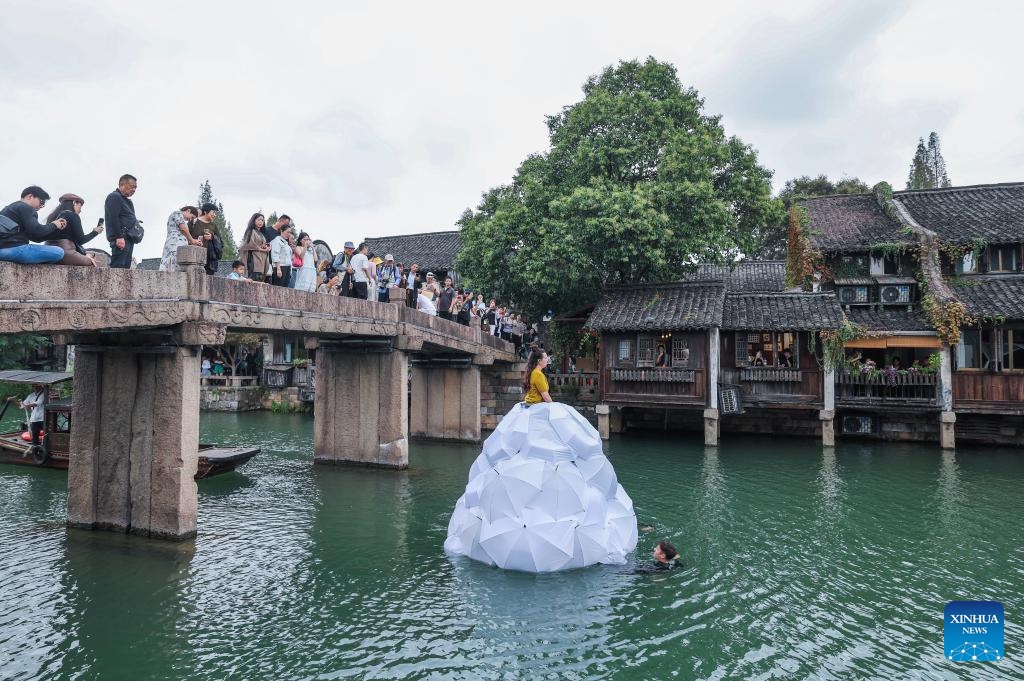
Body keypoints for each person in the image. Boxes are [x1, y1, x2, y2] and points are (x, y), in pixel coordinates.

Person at [0, 186, 68, 264]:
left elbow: (36, 238)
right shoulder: (26, 207)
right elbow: (37, 231)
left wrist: (54, 230)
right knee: (59, 252)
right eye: (41, 202)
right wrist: (54, 224)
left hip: (3, 250)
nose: (41, 206)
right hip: (15, 249)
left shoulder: (8, 209)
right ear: (30, 196)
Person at [41, 193, 102, 266]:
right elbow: (80, 240)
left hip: (49, 250)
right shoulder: (72, 215)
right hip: (65, 251)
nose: (80, 210)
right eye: (80, 206)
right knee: (91, 262)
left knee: (87, 255)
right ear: (74, 202)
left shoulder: (52, 216)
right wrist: (95, 232)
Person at [104, 174, 139, 269]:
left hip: (129, 238)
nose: (134, 190)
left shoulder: (128, 201)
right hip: (120, 238)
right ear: (122, 184)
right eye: (132, 186)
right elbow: (113, 218)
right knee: (118, 267)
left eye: (135, 188)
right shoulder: (114, 196)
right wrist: (119, 237)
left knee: (126, 268)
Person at [158, 206, 201, 272]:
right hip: (174, 246)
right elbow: (183, 229)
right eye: (192, 217)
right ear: (188, 211)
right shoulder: (177, 214)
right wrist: (192, 240)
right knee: (169, 266)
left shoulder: (181, 218)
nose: (190, 220)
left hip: (179, 247)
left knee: (175, 267)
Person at [6, 383, 47, 450]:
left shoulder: (44, 394)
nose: (35, 387)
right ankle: (36, 451)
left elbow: (37, 403)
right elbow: (21, 405)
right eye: (34, 386)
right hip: (34, 419)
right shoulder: (31, 396)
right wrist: (12, 400)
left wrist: (26, 406)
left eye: (37, 386)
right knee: (34, 437)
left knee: (47, 435)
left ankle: (45, 449)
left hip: (43, 418)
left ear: (41, 386)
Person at [239, 213, 272, 281]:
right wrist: (262, 249)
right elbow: (249, 245)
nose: (260, 222)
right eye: (259, 220)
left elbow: (260, 244)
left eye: (262, 220)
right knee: (253, 278)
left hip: (261, 260)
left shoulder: (261, 234)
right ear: (254, 220)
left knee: (259, 278)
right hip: (253, 259)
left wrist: (265, 247)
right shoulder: (250, 231)